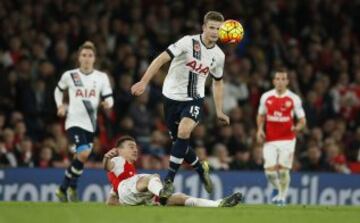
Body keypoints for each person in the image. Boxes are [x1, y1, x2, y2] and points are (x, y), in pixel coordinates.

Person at [131, 11, 229, 200]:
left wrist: (219, 110)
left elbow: (218, 82)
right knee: (179, 143)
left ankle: (169, 181)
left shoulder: (219, 56)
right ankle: (200, 168)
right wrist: (143, 82)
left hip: (194, 99)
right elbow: (161, 59)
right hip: (170, 98)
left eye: (218, 29)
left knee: (184, 132)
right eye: (211, 27)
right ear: (204, 27)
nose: (215, 32)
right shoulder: (187, 42)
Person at [103, 136, 243, 207]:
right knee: (152, 177)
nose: (135, 150)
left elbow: (111, 200)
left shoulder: (123, 174)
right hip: (134, 192)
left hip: (138, 197)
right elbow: (108, 165)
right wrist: (106, 158)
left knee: (180, 198)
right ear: (119, 150)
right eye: (131, 147)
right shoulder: (118, 160)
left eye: (135, 147)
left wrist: (122, 206)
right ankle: (161, 194)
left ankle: (217, 204)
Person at [54, 41, 114, 202]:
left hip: (91, 124)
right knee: (84, 153)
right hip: (73, 121)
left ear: (95, 59)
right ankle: (65, 188)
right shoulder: (70, 75)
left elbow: (110, 97)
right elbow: (58, 90)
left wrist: (108, 103)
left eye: (90, 55)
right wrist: (60, 105)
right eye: (84, 55)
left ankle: (69, 187)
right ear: (79, 58)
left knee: (81, 157)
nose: (87, 58)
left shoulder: (101, 77)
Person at [256, 68, 306, 206]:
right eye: (277, 79)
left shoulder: (294, 98)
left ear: (287, 81)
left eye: (283, 79)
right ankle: (280, 191)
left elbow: (302, 120)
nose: (280, 82)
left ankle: (282, 198)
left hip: (287, 140)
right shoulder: (266, 97)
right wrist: (259, 129)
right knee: (270, 173)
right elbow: (261, 115)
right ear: (273, 81)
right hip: (270, 140)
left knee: (283, 171)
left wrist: (298, 127)